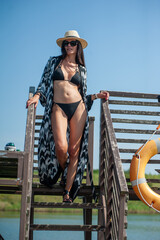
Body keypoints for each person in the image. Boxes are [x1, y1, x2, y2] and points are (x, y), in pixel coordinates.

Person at [26, 30, 109, 203]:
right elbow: (44, 81)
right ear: (63, 46)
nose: (69, 46)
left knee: (74, 151)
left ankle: (67, 191)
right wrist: (37, 96)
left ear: (78, 46)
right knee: (61, 147)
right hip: (58, 107)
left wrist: (96, 96)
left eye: (73, 43)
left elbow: (82, 93)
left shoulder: (82, 69)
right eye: (67, 43)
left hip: (79, 107)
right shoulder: (53, 62)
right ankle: (64, 172)